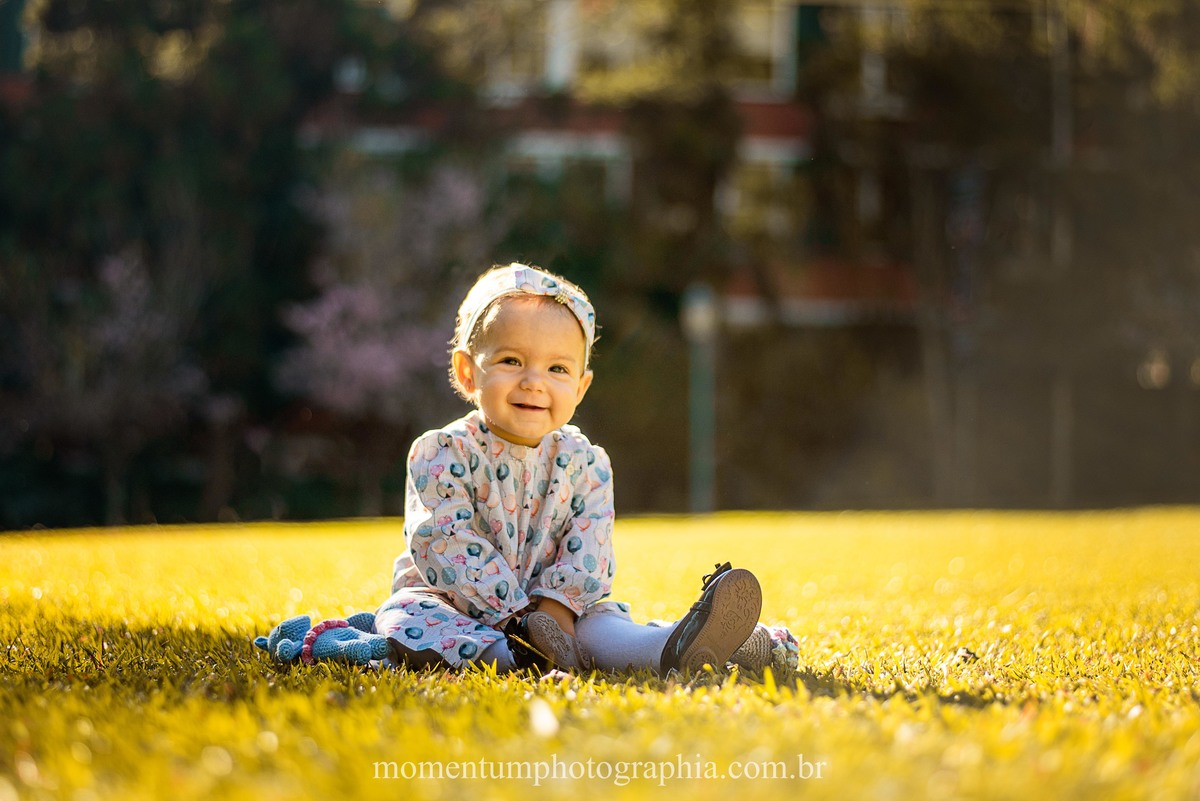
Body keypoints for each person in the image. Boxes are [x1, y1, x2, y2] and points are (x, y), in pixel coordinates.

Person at [375, 263, 766, 674]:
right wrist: (517, 619)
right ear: (468, 372)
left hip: (561, 610)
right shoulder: (442, 452)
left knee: (601, 626)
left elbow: (589, 548)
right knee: (408, 619)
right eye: (511, 360)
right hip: (457, 601)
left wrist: (558, 608)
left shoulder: (585, 463)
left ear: (580, 387)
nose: (533, 381)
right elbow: (444, 542)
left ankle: (670, 645)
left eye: (557, 368)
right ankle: (518, 656)